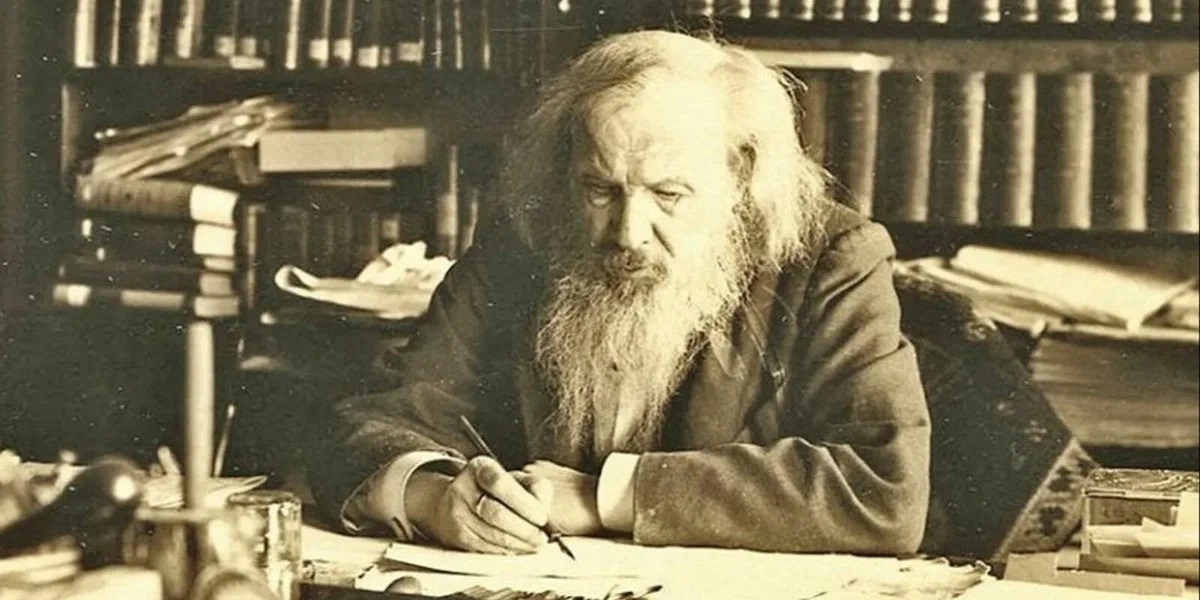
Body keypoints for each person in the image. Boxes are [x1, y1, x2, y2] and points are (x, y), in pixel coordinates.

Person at [308, 30, 931, 556]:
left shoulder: (831, 257)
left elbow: (885, 491)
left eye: (669, 194)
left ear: (740, 174)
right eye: (601, 190)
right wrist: (435, 497)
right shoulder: (524, 238)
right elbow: (373, 420)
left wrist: (604, 495)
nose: (628, 233)